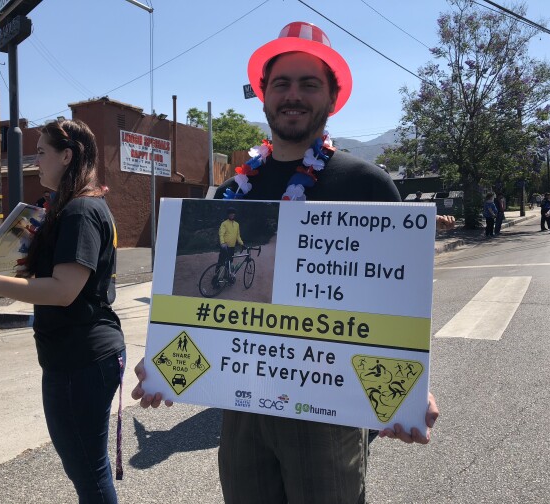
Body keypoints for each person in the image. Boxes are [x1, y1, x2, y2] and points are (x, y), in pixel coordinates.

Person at [133, 21, 441, 504]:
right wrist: (165, 362)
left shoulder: (370, 186)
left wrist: (409, 387)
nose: (292, 95)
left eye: (308, 83)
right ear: (264, 95)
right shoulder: (236, 189)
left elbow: (395, 301)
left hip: (327, 416)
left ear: (332, 98)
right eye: (281, 83)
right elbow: (198, 309)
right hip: (239, 409)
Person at [0, 119, 125, 503]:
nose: (36, 161)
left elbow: (64, 291)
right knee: (85, 469)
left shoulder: (80, 210)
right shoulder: (75, 206)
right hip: (79, 355)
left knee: (89, 473)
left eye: (42, 152)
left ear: (67, 156)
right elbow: (60, 283)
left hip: (80, 358)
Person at [216, 206, 244, 279]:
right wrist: (222, 243)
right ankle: (216, 278)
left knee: (229, 263)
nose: (232, 215)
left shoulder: (237, 224)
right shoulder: (224, 223)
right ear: (228, 215)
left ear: (234, 214)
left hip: (232, 247)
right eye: (230, 214)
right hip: (224, 247)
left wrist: (242, 244)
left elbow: (238, 236)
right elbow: (221, 233)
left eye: (233, 214)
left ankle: (226, 277)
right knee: (220, 263)